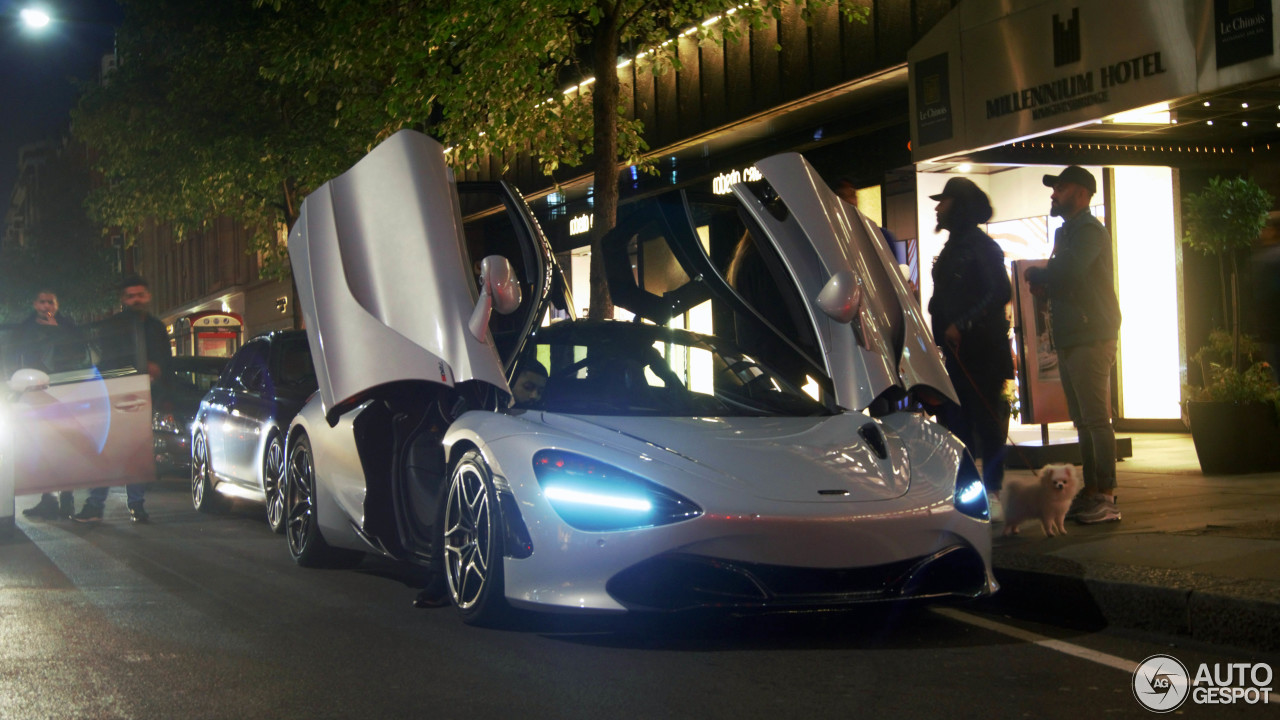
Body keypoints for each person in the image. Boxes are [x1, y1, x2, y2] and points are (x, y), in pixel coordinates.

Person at [1024, 166, 1122, 525]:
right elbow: (1064, 275)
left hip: (1091, 333)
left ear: (1081, 193)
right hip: (1072, 335)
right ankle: (1093, 490)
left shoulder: (1089, 231)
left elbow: (1071, 271)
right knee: (1083, 420)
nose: (1054, 194)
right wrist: (1046, 283)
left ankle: (1107, 496)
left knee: (1096, 420)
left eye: (1060, 188)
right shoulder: (1067, 232)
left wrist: (1039, 275)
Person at [926, 178, 1014, 518]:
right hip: (959, 353)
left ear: (958, 206)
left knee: (986, 424)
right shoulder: (956, 246)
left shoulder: (981, 247)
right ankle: (966, 493)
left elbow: (1000, 292)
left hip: (982, 352)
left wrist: (961, 324)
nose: (938, 207)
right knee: (958, 423)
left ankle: (992, 492)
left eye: (944, 201)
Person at [74, 276, 172, 524]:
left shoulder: (157, 328)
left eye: (140, 294)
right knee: (108, 451)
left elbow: (167, 363)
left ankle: (135, 505)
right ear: (123, 299)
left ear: (148, 296)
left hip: (146, 398)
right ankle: (96, 505)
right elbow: (108, 362)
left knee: (136, 453)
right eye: (131, 296)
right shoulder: (113, 326)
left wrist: (158, 377)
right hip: (116, 397)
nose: (136, 299)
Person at [17, 288, 78, 520]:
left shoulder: (67, 326)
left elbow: (79, 351)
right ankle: (48, 499)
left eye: (51, 302)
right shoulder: (25, 328)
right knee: (41, 448)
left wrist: (57, 332)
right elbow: (14, 354)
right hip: (34, 394)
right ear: (35, 304)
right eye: (42, 302)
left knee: (63, 448)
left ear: (57, 305)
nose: (47, 307)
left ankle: (67, 498)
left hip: (64, 392)